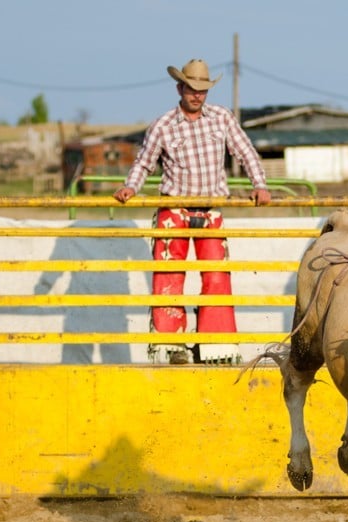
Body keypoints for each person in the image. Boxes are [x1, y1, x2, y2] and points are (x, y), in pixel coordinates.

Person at [113, 59, 270, 365]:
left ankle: (216, 346)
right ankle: (172, 346)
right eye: (192, 89)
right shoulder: (163, 125)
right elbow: (144, 162)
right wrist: (131, 187)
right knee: (169, 276)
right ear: (180, 88)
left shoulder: (222, 118)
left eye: (202, 90)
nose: (197, 95)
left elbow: (246, 151)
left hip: (211, 207)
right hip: (174, 206)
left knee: (216, 276)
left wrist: (260, 185)